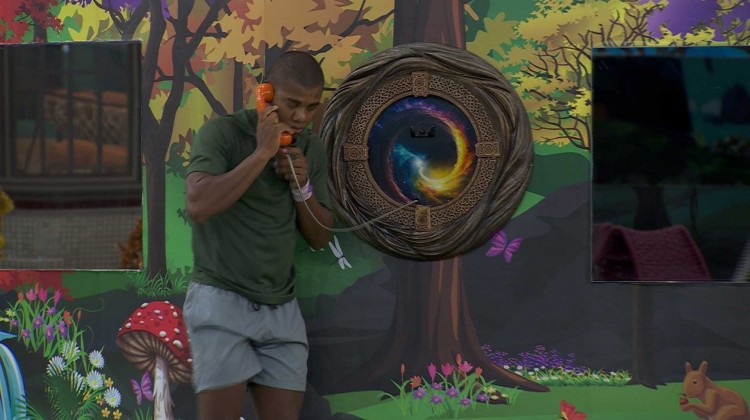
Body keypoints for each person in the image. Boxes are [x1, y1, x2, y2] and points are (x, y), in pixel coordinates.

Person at [184, 51, 333, 420]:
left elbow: (320, 237)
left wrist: (302, 187)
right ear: (265, 94)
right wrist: (262, 154)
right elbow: (198, 205)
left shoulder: (311, 149)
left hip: (281, 307)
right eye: (292, 103)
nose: (301, 117)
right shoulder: (223, 133)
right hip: (222, 299)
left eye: (311, 107)